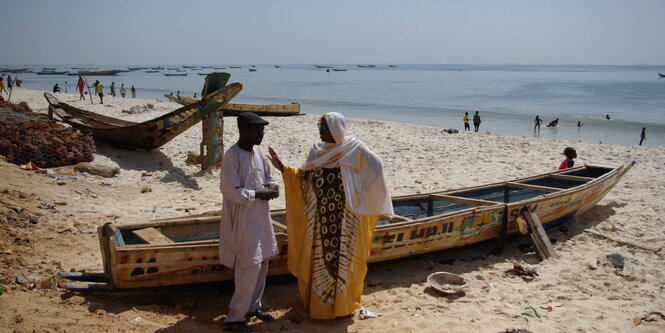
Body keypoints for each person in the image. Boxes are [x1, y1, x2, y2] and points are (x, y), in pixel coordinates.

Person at [268, 112, 393, 319]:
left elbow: (376, 167)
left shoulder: (355, 150)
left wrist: (361, 199)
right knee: (319, 263)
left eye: (324, 127)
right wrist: (284, 169)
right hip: (320, 222)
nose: (320, 131)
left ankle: (343, 307)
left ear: (336, 129)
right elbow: (304, 178)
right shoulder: (317, 151)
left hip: (346, 222)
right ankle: (322, 308)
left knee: (345, 264)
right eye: (320, 126)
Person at [219, 112, 279, 332]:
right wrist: (258, 195)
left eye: (263, 130)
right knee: (249, 265)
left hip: (261, 217)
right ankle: (235, 317)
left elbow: (267, 177)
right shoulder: (232, 156)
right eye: (257, 130)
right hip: (243, 220)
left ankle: (253, 307)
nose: (261, 134)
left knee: (262, 263)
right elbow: (230, 191)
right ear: (243, 130)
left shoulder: (257, 152)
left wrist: (272, 187)